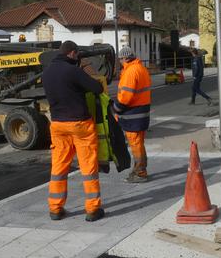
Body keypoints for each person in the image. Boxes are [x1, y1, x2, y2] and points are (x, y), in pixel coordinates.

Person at [42, 40, 105, 222]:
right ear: (72, 53)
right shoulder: (73, 71)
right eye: (77, 55)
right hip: (80, 125)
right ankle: (93, 209)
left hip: (58, 125)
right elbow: (97, 88)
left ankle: (55, 208)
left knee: (59, 168)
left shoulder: (46, 74)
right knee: (88, 168)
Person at [113, 46, 152, 183]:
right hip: (141, 112)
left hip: (132, 114)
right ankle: (141, 169)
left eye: (120, 59)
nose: (120, 62)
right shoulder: (141, 69)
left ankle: (140, 173)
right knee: (139, 143)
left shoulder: (130, 71)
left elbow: (125, 97)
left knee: (135, 144)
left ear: (124, 58)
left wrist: (116, 108)